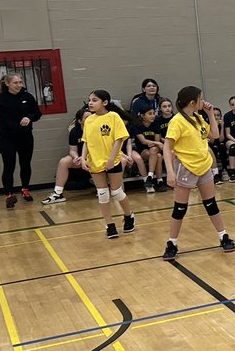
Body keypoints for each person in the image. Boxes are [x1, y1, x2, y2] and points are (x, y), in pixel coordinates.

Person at [162, 86, 235, 259]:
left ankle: (223, 236)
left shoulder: (198, 117)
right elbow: (167, 148)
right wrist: (171, 173)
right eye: (201, 99)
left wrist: (210, 114)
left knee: (211, 203)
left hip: (204, 166)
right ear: (192, 102)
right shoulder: (177, 121)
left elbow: (214, 136)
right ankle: (172, 243)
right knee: (180, 208)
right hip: (185, 167)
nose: (204, 101)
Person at [80, 90, 136, 239]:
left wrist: (111, 159)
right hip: (95, 162)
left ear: (104, 102)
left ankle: (129, 215)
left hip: (113, 160)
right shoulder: (89, 120)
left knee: (117, 192)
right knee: (102, 194)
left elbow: (119, 139)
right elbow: (86, 141)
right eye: (89, 100)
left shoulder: (113, 117)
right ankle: (110, 225)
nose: (91, 103)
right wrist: (83, 158)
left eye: (94, 100)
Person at [0, 73, 42, 208]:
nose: (19, 85)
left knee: (25, 164)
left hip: (25, 137)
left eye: (20, 82)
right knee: (9, 165)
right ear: (8, 84)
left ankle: (25, 189)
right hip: (7, 138)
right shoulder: (0, 99)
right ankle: (9, 195)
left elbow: (37, 113)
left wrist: (29, 118)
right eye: (15, 83)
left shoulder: (28, 97)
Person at [42, 107, 91, 205]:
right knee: (64, 162)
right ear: (80, 121)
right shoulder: (75, 131)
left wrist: (85, 157)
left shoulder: (97, 129)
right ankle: (58, 193)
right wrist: (76, 157)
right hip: (81, 158)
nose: (91, 120)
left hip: (95, 158)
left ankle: (105, 189)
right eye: (87, 118)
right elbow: (72, 150)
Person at [132, 106, 165, 191]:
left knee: (154, 151)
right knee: (158, 156)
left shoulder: (156, 125)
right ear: (143, 116)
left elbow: (157, 141)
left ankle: (150, 176)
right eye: (150, 114)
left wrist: (154, 143)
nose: (153, 116)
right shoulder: (137, 126)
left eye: (154, 113)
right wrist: (156, 143)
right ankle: (159, 181)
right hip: (143, 150)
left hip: (154, 149)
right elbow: (143, 141)